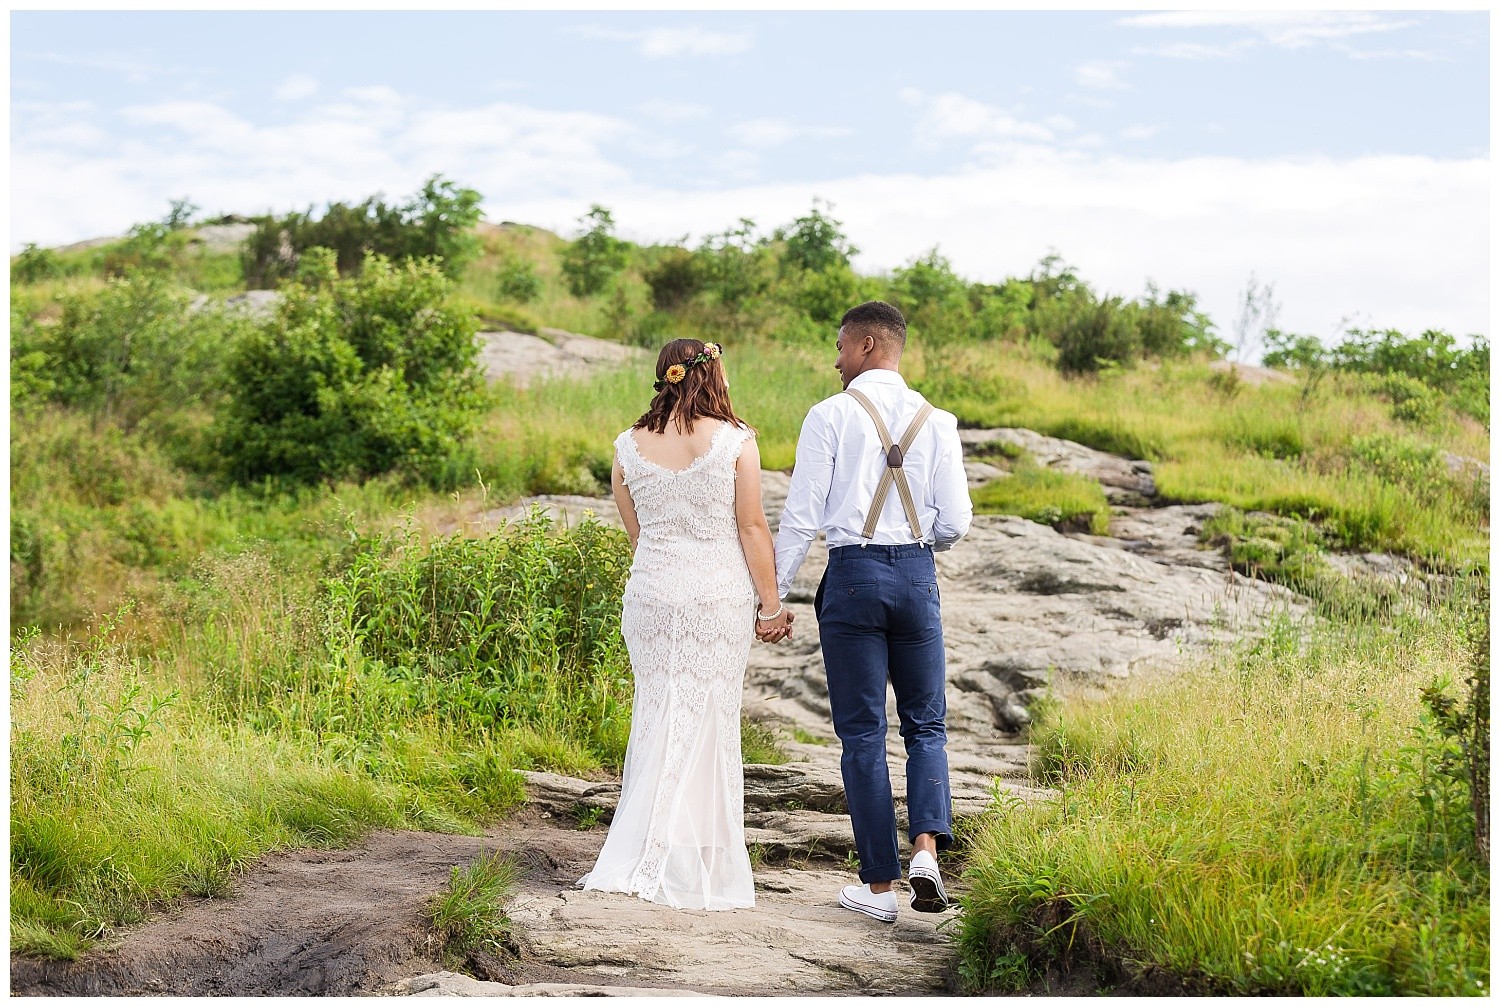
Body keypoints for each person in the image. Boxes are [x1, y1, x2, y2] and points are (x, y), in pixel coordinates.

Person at [773, 300, 973, 923]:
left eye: (839, 348)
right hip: (916, 577)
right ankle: (926, 854)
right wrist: (918, 543)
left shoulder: (830, 415)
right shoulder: (937, 421)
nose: (835, 362)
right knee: (926, 726)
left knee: (862, 733)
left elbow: (803, 514)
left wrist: (771, 594)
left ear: (863, 346)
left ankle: (880, 890)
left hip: (854, 577)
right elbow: (957, 523)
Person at [578, 338, 793, 911]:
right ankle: (691, 854)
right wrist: (770, 606)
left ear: (664, 376)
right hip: (714, 595)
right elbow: (751, 527)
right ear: (713, 374)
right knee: (708, 718)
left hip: (651, 595)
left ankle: (646, 846)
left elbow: (638, 534)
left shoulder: (627, 444)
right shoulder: (736, 440)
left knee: (657, 713)